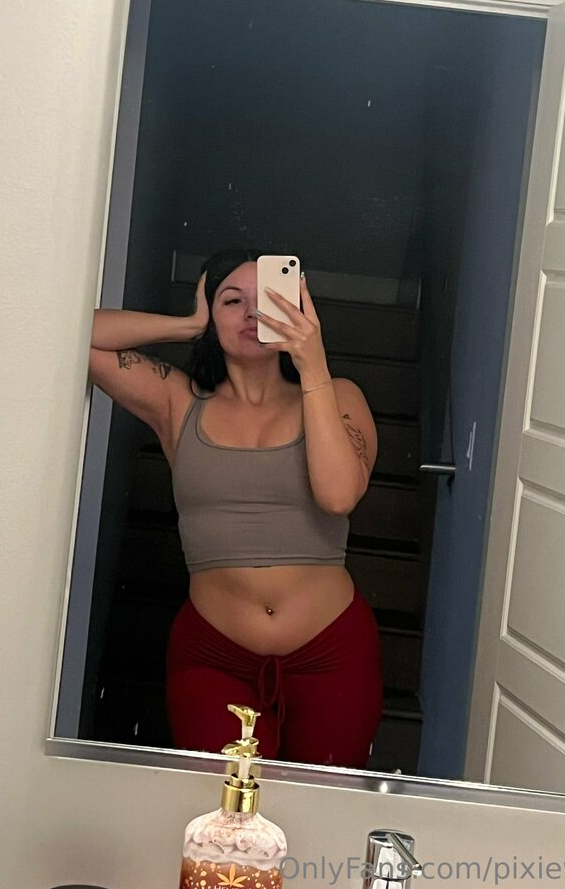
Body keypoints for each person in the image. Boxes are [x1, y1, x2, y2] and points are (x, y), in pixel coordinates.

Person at [88, 248, 383, 767]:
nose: (251, 313)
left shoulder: (338, 395)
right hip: (213, 657)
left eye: (267, 298)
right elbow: (76, 332)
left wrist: (312, 363)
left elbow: (338, 496)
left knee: (326, 804)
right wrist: (188, 324)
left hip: (333, 653)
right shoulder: (179, 400)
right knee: (221, 809)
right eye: (231, 301)